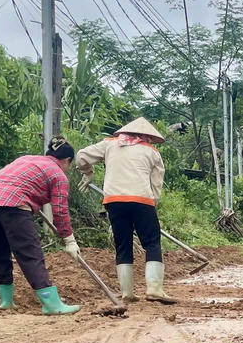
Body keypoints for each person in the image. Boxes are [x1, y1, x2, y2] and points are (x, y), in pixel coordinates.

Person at [0, 136, 80, 314]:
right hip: (13, 204)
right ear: (67, 160)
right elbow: (60, 210)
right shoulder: (58, 174)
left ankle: (6, 301)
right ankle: (51, 304)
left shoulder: (26, 159)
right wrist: (69, 240)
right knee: (30, 253)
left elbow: (16, 182)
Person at [75, 116, 175, 304]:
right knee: (152, 243)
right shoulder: (152, 152)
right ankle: (154, 289)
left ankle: (127, 292)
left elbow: (81, 156)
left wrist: (88, 173)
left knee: (123, 245)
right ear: (146, 136)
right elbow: (156, 185)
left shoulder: (109, 145)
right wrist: (152, 204)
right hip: (142, 200)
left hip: (114, 201)